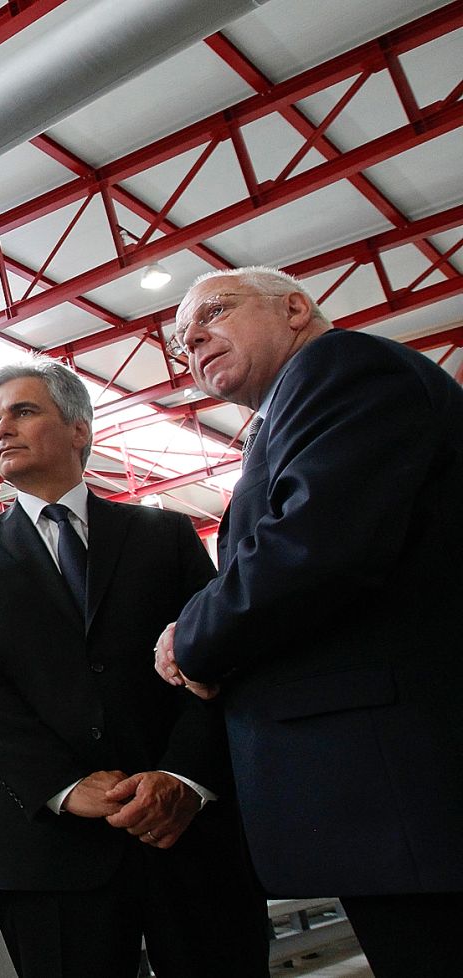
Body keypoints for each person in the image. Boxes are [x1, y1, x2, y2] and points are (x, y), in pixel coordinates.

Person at [158, 266, 463, 977]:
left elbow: (314, 546)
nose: (193, 338)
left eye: (214, 312)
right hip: (400, 796)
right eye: (180, 339)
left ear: (295, 308)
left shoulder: (339, 367)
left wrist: (191, 639)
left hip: (407, 788)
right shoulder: (301, 404)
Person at [0, 358, 264, 978]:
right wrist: (62, 784)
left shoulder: (163, 535)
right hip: (48, 843)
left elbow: (218, 658)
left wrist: (184, 778)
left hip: (183, 827)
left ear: (79, 429)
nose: (2, 429)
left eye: (23, 411)